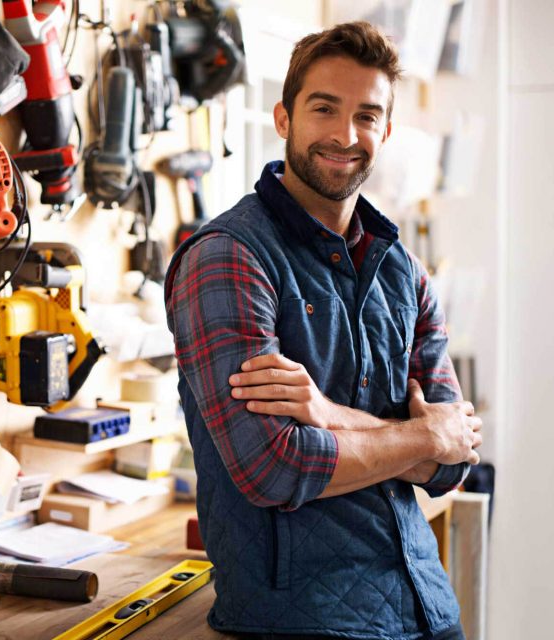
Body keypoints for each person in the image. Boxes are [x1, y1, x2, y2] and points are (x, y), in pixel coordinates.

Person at [164, 21, 482, 640]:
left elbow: (455, 461)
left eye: (367, 115)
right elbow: (273, 466)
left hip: (427, 608)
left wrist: (327, 415)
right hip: (299, 621)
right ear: (284, 118)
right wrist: (424, 436)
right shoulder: (229, 257)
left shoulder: (403, 272)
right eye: (324, 108)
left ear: (386, 130)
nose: (345, 134)